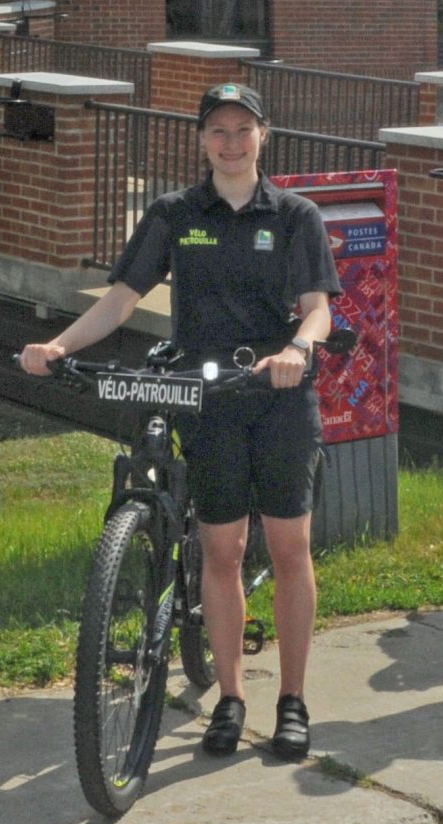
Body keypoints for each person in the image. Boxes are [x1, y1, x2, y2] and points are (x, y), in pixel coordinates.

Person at [19, 82, 339, 759]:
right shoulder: (174, 213)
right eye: (218, 130)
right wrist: (60, 346)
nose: (230, 141)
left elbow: (319, 308)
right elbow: (122, 299)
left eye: (242, 129)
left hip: (280, 393)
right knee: (219, 551)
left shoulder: (295, 216)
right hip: (208, 394)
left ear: (263, 135)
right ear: (201, 140)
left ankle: (292, 699)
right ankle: (230, 695)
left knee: (288, 546)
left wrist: (297, 348)